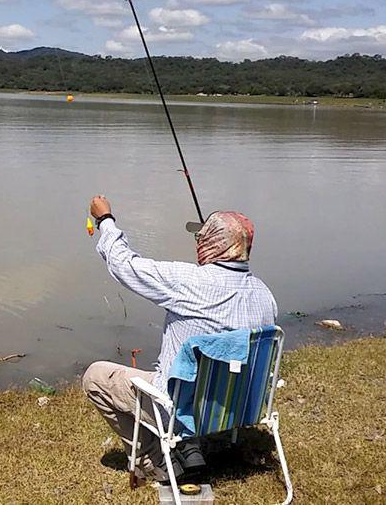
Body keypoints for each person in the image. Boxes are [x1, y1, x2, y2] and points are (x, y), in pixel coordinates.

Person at [81, 195, 278, 483]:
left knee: (95, 377)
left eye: (202, 237)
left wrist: (105, 220)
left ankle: (155, 461)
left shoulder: (187, 282)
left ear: (210, 243)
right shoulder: (264, 295)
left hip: (182, 408)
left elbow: (126, 265)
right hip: (236, 407)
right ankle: (191, 445)